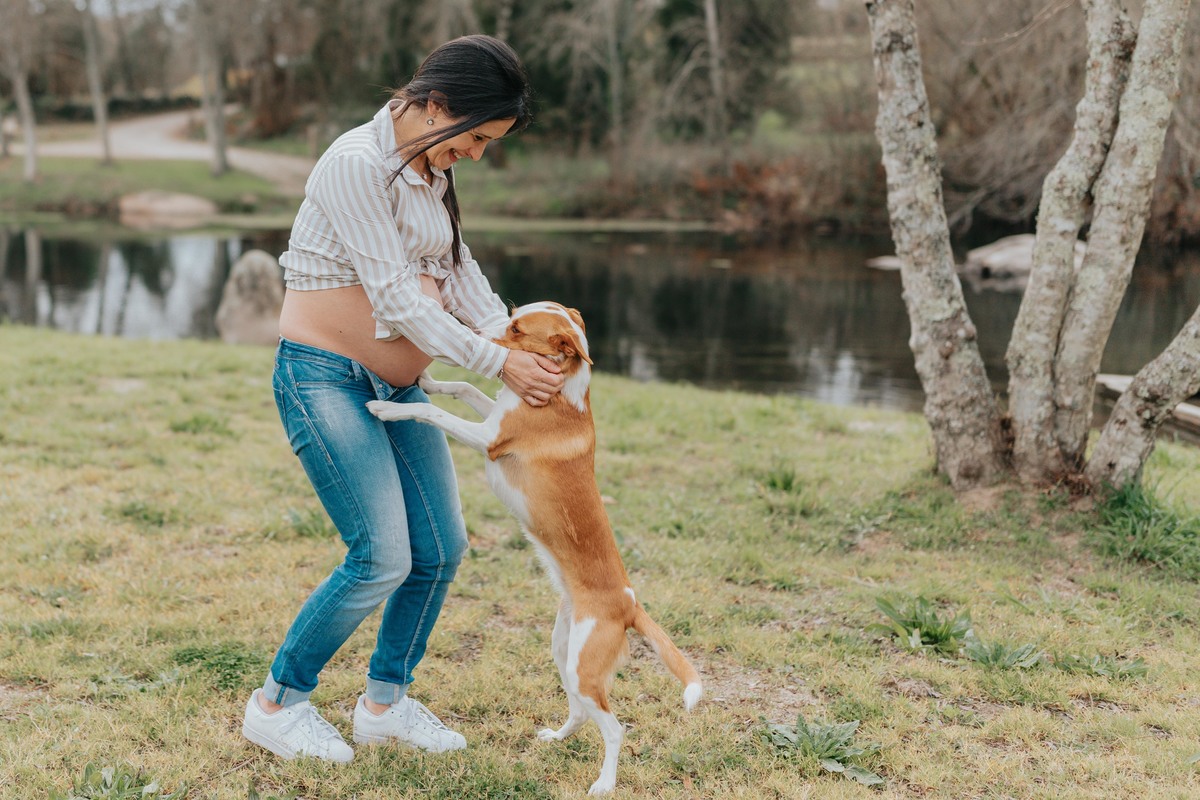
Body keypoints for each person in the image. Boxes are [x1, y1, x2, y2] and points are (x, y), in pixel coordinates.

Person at [241, 35, 565, 763]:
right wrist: (497, 364)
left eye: (488, 144)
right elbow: (395, 297)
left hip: (397, 388)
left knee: (440, 549)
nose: (475, 155)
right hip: (324, 378)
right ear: (436, 106)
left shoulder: (429, 168)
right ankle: (276, 704)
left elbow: (458, 271)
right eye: (475, 137)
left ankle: (384, 705)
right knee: (381, 556)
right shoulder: (356, 164)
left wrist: (512, 338)